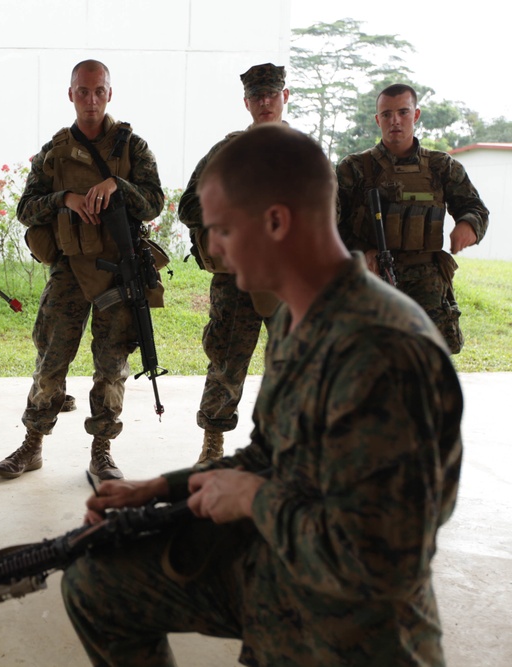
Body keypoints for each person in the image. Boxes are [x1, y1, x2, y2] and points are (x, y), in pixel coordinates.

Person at [60, 124, 463, 666]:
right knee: (98, 579)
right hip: (287, 566)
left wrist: (250, 498)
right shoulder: (301, 319)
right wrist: (159, 489)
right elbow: (272, 455)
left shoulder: (381, 351)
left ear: (276, 222)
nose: (214, 249)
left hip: (356, 632)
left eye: (222, 229)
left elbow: (379, 565)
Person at [0, 59, 164, 482]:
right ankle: (32, 445)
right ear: (70, 94)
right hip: (69, 271)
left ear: (110, 93)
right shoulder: (54, 152)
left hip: (118, 274)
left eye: (99, 90)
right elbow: (26, 209)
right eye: (82, 91)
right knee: (50, 362)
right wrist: (65, 198)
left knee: (111, 367)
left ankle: (101, 452)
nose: (91, 99)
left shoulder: (132, 147)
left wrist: (116, 185)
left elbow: (155, 201)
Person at [178, 63, 288, 465]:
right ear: (246, 102)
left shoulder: (304, 154)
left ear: (284, 97)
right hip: (236, 278)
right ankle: (213, 446)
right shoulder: (226, 151)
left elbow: (333, 212)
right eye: (257, 96)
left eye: (271, 94)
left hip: (288, 280)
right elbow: (190, 204)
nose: (264, 102)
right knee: (226, 361)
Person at [337, 82, 489, 354]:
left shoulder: (441, 166)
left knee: (428, 364)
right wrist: (363, 252)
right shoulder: (354, 168)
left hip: (427, 284)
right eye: (386, 114)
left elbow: (475, 207)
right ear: (377, 119)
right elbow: (332, 226)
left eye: (403, 112)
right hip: (372, 279)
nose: (395, 120)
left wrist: (468, 226)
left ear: (416, 115)